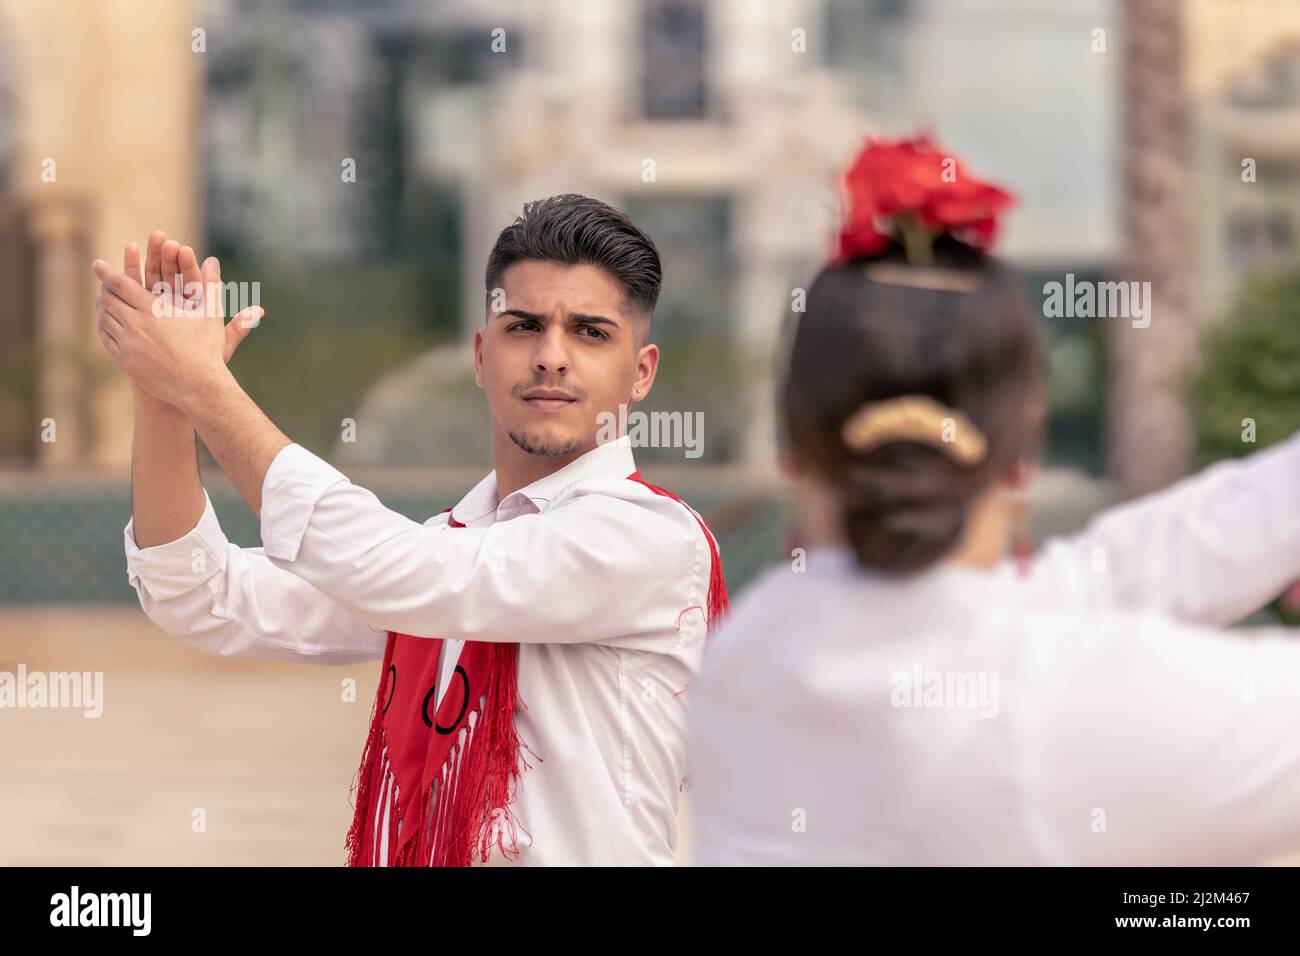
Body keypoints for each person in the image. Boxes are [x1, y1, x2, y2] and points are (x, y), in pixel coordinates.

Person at [687, 140, 1300, 866]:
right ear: (1024, 449)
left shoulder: (743, 659)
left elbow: (1086, 585)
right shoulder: (1051, 710)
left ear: (791, 445)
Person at [97, 194, 728, 866]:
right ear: (481, 357)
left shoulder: (649, 536)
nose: (552, 356)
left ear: (642, 372)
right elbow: (206, 598)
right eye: (524, 326)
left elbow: (397, 571)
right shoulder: (452, 544)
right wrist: (162, 397)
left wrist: (204, 387)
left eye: (590, 332)